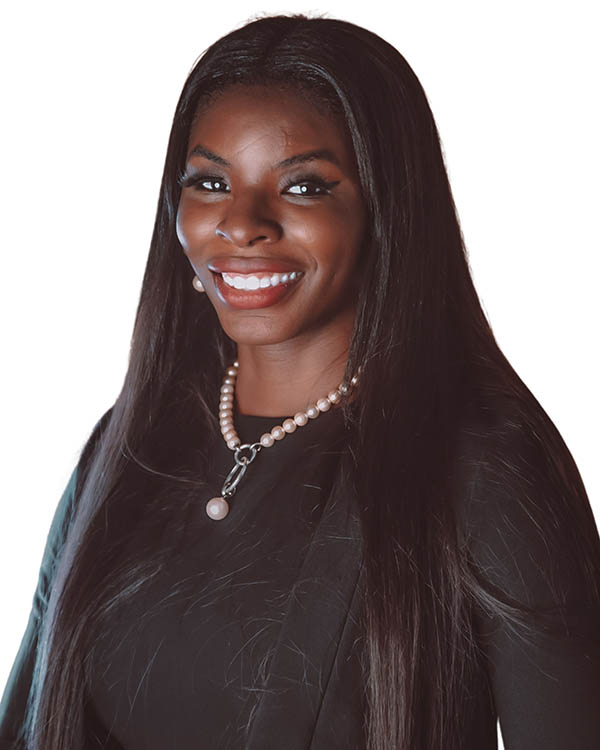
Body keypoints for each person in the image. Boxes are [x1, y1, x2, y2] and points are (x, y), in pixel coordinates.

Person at [1, 12, 599, 750]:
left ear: (387, 211)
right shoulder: (127, 445)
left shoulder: (486, 467)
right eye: (210, 182)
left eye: (305, 186)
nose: (242, 224)